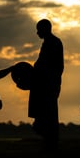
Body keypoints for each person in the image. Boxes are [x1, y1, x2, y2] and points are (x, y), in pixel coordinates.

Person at [28, 19, 64, 151]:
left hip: (48, 86)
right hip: (48, 85)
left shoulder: (52, 43)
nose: (37, 32)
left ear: (45, 29)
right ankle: (49, 143)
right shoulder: (50, 42)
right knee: (47, 116)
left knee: (48, 117)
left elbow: (48, 66)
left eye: (39, 29)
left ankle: (50, 144)